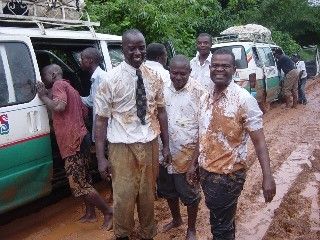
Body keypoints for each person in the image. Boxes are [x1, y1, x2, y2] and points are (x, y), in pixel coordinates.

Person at [190, 48, 276, 239]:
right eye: (215, 66)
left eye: (225, 66)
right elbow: (203, 133)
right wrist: (193, 163)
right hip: (207, 172)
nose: (219, 69)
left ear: (234, 70)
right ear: (210, 68)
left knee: (220, 227)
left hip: (228, 176)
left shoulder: (244, 100)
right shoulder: (205, 97)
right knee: (221, 220)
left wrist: (267, 177)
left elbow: (260, 142)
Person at [94, 29, 172, 240]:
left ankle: (148, 234)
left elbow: (161, 111)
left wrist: (166, 145)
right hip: (122, 147)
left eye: (141, 47)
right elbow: (100, 120)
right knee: (124, 196)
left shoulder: (154, 76)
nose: (137, 52)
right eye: (132, 48)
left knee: (148, 195)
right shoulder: (110, 80)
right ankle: (123, 235)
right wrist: (101, 158)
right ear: (123, 49)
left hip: (150, 143)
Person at [36, 64, 113, 229]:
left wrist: (43, 96)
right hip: (81, 137)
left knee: (78, 183)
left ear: (54, 74)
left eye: (44, 75)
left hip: (73, 142)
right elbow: (83, 111)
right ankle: (91, 213)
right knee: (85, 178)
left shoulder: (58, 85)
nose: (43, 79)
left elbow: (59, 106)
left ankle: (108, 212)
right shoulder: (71, 88)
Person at [157, 55, 207, 240]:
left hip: (187, 153)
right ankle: (177, 219)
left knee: (190, 193)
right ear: (169, 71)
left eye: (182, 74)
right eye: (174, 73)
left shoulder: (200, 92)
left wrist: (195, 161)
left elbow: (204, 129)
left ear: (190, 72)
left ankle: (191, 229)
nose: (178, 77)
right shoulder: (161, 89)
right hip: (164, 151)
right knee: (168, 189)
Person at [80, 47, 107, 141]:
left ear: (90, 60)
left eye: (82, 58)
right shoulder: (95, 79)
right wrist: (74, 96)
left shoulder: (103, 78)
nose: (80, 61)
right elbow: (91, 101)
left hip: (106, 128)